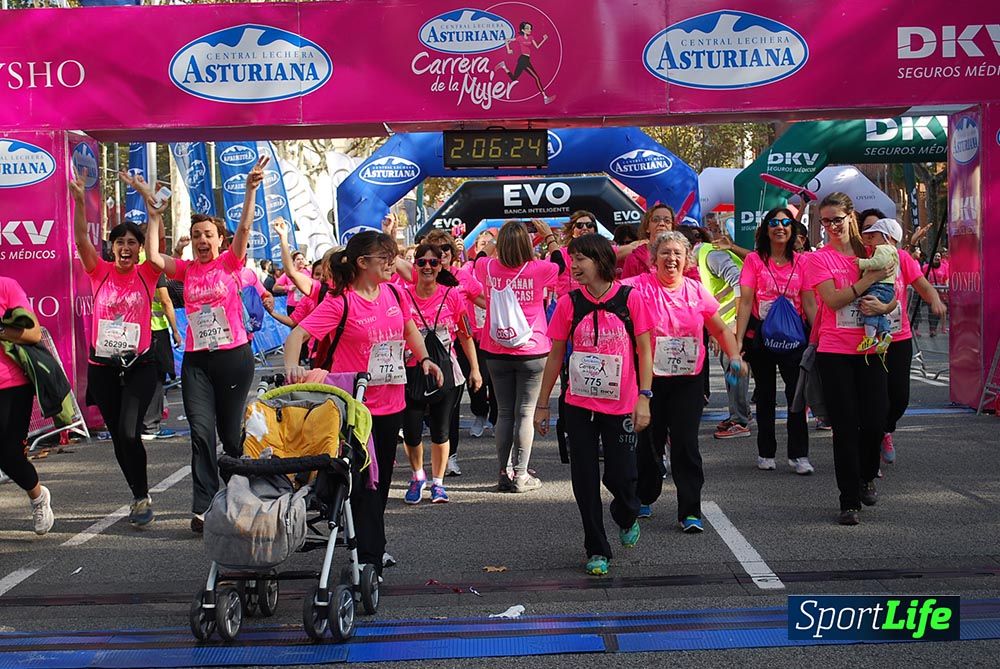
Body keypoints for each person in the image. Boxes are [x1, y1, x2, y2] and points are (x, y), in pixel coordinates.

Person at [283, 231, 443, 573]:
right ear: (362, 263)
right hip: (355, 408)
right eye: (385, 258)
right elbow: (297, 335)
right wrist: (291, 370)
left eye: (394, 256)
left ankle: (369, 545)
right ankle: (369, 557)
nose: (393, 263)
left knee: (381, 480)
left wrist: (425, 358)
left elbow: (409, 329)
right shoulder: (341, 302)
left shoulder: (395, 294)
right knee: (363, 483)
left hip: (392, 402)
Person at [142, 158, 269, 533]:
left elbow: (245, 226)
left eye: (208, 235)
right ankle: (203, 506)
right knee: (200, 432)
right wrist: (154, 217)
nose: (201, 240)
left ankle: (243, 493)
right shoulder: (186, 270)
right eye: (196, 234)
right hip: (197, 361)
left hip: (233, 358)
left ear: (220, 241)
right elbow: (152, 257)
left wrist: (250, 190)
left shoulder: (231, 264)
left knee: (230, 436)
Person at [534, 235, 653, 575]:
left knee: (624, 477)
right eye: (571, 259)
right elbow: (556, 353)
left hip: (623, 405)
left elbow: (645, 350)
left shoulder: (631, 299)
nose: (574, 266)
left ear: (600, 261)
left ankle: (627, 513)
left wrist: (645, 397)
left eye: (580, 259)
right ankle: (596, 548)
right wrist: (543, 405)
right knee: (584, 479)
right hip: (579, 404)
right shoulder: (568, 303)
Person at [624, 232, 746, 531]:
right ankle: (645, 494)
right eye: (665, 253)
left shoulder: (696, 290)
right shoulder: (637, 288)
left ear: (687, 259)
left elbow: (719, 329)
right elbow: (608, 294)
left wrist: (735, 356)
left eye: (678, 253)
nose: (672, 259)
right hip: (649, 379)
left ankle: (690, 510)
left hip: (688, 380)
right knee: (649, 442)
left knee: (686, 444)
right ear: (653, 260)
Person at [802, 192, 896, 526]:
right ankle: (848, 500)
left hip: (872, 348)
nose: (831, 227)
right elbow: (833, 299)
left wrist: (884, 307)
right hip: (835, 349)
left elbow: (893, 295)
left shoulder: (873, 251)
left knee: (875, 420)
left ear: (851, 217)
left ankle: (867, 474)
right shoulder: (818, 259)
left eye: (836, 220)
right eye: (825, 221)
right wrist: (868, 280)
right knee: (845, 426)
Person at [75, 170, 163, 527]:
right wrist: (80, 200)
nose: (125, 248)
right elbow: (81, 238)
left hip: (139, 363)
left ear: (139, 248)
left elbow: (155, 226)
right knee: (117, 436)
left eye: (131, 243)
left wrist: (146, 197)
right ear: (112, 247)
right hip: (103, 365)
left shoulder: (147, 273)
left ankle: (142, 493)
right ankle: (137, 494)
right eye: (119, 242)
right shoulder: (99, 272)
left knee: (129, 431)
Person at [474, 220, 560, 492]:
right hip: (532, 349)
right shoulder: (540, 269)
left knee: (504, 413)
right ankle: (521, 474)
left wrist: (493, 244)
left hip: (495, 348)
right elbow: (561, 263)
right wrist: (547, 237)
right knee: (525, 414)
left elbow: (478, 256)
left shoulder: (487, 267)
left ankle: (503, 472)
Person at [858, 213, 946, 466]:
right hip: (872, 338)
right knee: (875, 398)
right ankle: (870, 451)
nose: (871, 236)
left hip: (898, 336)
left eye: (875, 231)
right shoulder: (863, 259)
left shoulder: (902, 258)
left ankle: (886, 430)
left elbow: (921, 284)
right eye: (866, 230)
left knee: (899, 397)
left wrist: (936, 300)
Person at [401, 243, 482, 504]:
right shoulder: (402, 294)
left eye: (433, 263)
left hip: (445, 371)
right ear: (415, 266)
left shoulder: (452, 295)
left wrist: (476, 369)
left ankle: (438, 483)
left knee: (441, 430)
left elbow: (465, 334)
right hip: (410, 371)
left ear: (440, 266)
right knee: (412, 432)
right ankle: (417, 476)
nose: (427, 267)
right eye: (422, 262)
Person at [735, 208, 812, 474]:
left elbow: (810, 303)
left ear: (793, 230)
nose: (780, 227)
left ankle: (799, 455)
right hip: (761, 339)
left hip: (795, 340)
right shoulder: (755, 261)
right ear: (766, 229)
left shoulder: (802, 262)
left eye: (786, 223)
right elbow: (745, 302)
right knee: (765, 395)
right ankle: (766, 452)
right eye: (774, 223)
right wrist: (737, 341)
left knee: (797, 396)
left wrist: (818, 337)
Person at [0, 277, 54, 535]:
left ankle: (38, 496)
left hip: (11, 386)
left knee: (10, 456)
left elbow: (33, 333)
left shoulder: (7, 287)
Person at [693, 228, 751, 440]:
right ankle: (738, 413)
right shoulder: (705, 256)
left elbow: (738, 282)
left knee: (733, 365)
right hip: (729, 322)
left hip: (738, 321)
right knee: (730, 366)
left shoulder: (710, 255)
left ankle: (740, 420)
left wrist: (736, 325)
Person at [141, 274, 182, 441]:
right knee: (156, 377)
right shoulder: (153, 268)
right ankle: (150, 426)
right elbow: (165, 301)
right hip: (155, 330)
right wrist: (176, 330)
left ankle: (139, 424)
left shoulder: (127, 265)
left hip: (133, 330)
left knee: (138, 377)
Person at [854, 219, 900, 355]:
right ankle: (884, 334)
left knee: (869, 307)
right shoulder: (894, 251)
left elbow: (877, 263)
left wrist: (861, 263)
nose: (871, 238)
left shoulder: (882, 249)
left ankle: (870, 337)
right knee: (879, 313)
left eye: (874, 236)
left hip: (879, 287)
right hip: (887, 289)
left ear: (887, 237)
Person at [497, 21, 555, 104]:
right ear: (523, 30)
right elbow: (507, 39)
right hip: (523, 60)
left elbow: (537, 47)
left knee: (514, 78)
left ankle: (503, 66)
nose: (529, 30)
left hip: (526, 60)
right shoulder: (520, 38)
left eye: (530, 28)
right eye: (527, 28)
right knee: (537, 77)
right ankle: (545, 97)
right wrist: (508, 49)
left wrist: (544, 39)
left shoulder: (531, 37)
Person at [620, 204, 675, 279]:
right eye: (655, 220)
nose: (661, 224)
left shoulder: (681, 256)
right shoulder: (633, 259)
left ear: (672, 228)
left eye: (667, 221)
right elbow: (626, 289)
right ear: (647, 228)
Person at [273, 249, 309, 316]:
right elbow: (275, 288)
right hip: (293, 306)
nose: (301, 261)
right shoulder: (289, 274)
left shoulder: (309, 272)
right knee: (294, 326)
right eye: (298, 259)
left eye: (302, 259)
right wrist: (288, 287)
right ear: (293, 262)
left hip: (307, 305)